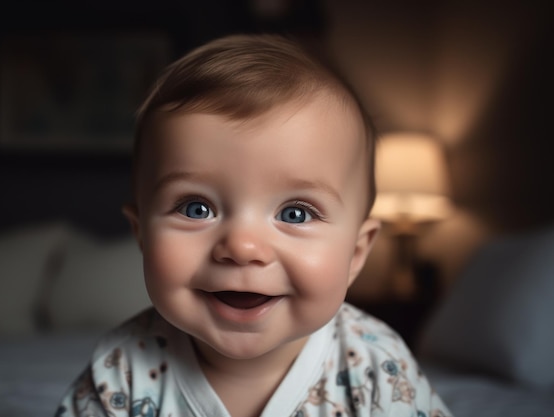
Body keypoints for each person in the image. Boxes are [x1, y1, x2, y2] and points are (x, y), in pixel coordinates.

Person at [56, 34, 452, 417]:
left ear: (356, 252)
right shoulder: (121, 370)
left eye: (295, 213)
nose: (242, 247)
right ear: (141, 234)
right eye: (196, 208)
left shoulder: (377, 368)